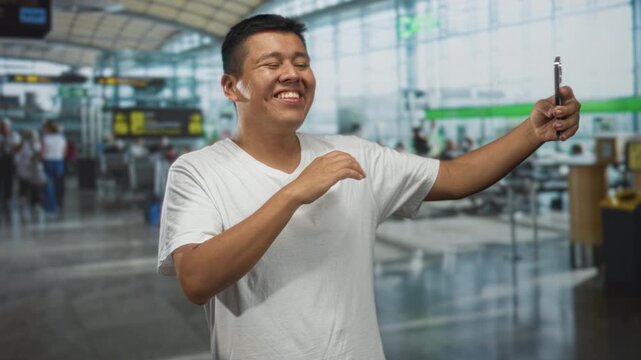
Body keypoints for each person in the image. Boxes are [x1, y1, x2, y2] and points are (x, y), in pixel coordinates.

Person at [157, 14, 581, 359]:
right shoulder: (199, 171)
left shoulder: (354, 155)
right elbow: (196, 280)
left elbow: (455, 177)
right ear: (232, 86)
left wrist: (532, 132)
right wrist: (292, 193)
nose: (292, 74)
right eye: (271, 64)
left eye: (301, 63)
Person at [41, 120, 67, 214]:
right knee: (57, 184)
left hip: (48, 161)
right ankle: (58, 204)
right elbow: (64, 152)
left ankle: (50, 207)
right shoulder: (62, 138)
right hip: (59, 162)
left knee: (48, 185)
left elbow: (43, 152)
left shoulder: (45, 138)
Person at [0, 118, 21, 216]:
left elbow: (18, 148)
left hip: (10, 161)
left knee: (9, 180)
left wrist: (11, 147)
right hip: (1, 160)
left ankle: (7, 198)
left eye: (4, 126)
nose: (3, 128)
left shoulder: (14, 136)